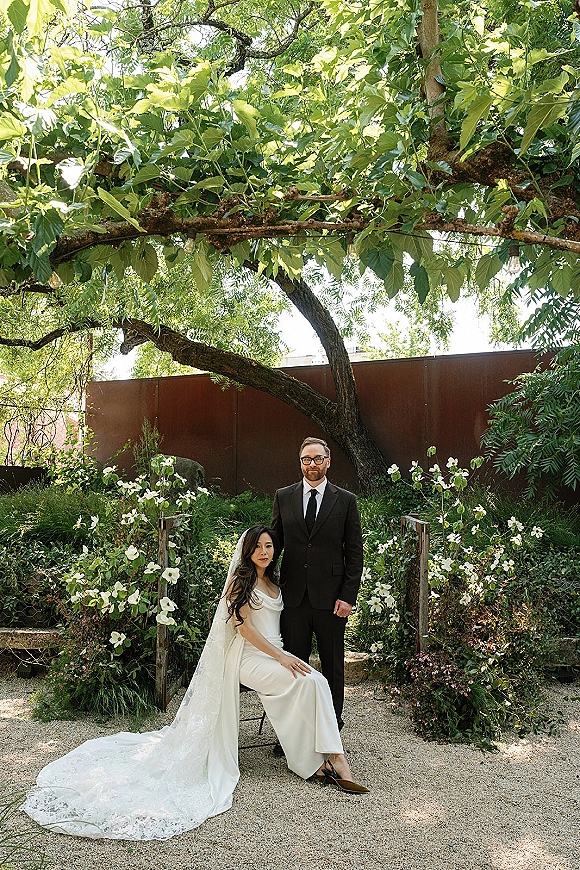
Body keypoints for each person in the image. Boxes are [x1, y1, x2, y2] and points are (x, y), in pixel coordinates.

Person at [22, 526, 367, 842]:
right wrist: (281, 657)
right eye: (258, 547)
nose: (264, 551)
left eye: (269, 546)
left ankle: (319, 759)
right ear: (247, 551)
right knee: (309, 682)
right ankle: (334, 761)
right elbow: (244, 629)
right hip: (248, 658)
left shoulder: (275, 585)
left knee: (317, 682)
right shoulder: (240, 582)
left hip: (274, 654)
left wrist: (283, 654)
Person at [271, 438, 364, 731]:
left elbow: (354, 552)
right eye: (306, 459)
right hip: (293, 598)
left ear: (328, 461)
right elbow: (274, 546)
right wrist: (266, 587)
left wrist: (348, 596)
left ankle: (332, 727)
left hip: (332, 599)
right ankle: (293, 732)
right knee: (293, 667)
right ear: (300, 463)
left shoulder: (346, 500)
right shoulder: (283, 496)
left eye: (318, 458)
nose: (312, 464)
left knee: (333, 666)